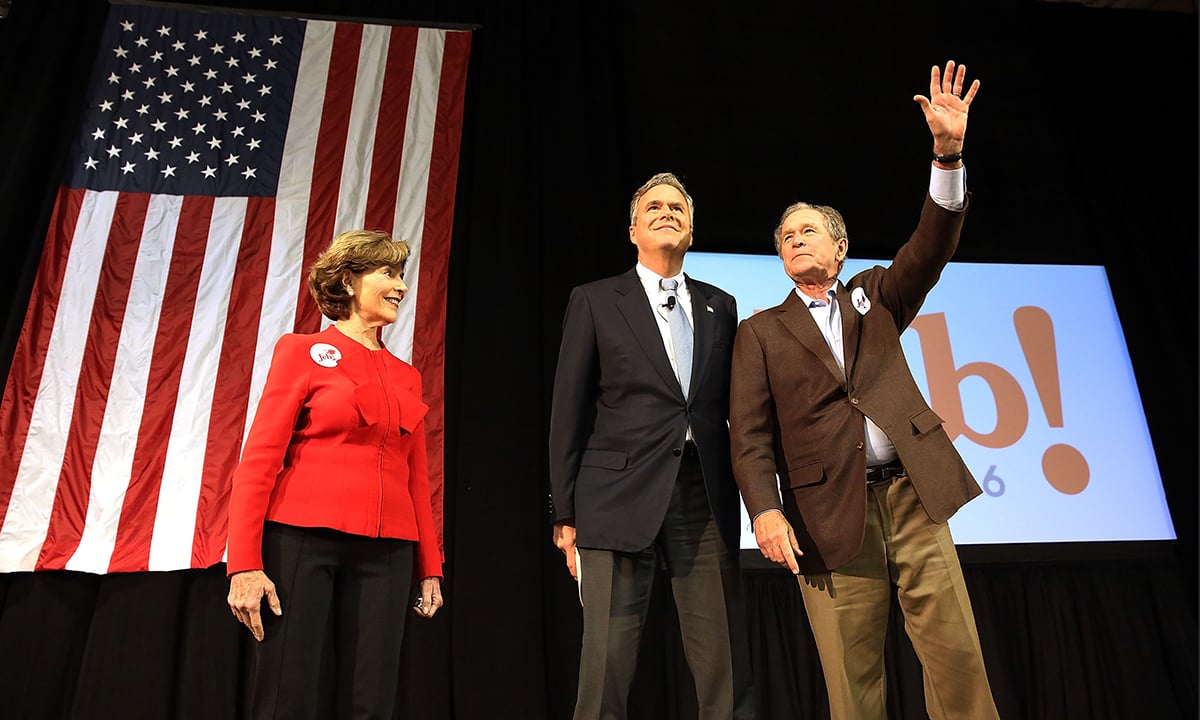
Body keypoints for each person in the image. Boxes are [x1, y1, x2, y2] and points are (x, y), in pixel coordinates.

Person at [729, 61, 1001, 720]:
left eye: (809, 230)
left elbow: (931, 245)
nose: (795, 238)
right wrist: (765, 509)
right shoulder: (760, 333)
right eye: (786, 235)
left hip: (912, 497)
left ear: (840, 247)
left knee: (958, 660)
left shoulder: (876, 295)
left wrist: (947, 154)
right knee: (853, 686)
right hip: (827, 515)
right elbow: (751, 436)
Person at [548, 172, 754, 719]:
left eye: (678, 208)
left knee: (725, 666)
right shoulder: (594, 300)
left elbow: (733, 408)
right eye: (654, 207)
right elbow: (567, 411)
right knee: (607, 667)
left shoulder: (721, 305)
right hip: (614, 498)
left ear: (692, 229)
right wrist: (565, 512)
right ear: (633, 229)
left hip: (702, 496)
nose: (667, 213)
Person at [226, 229, 444, 719]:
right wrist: (243, 562)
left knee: (372, 699)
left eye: (401, 275)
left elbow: (417, 479)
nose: (401, 287)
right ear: (347, 281)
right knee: (288, 691)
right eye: (388, 273)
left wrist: (430, 566)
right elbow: (259, 460)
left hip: (388, 550)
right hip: (302, 540)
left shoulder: (406, 374)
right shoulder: (301, 352)